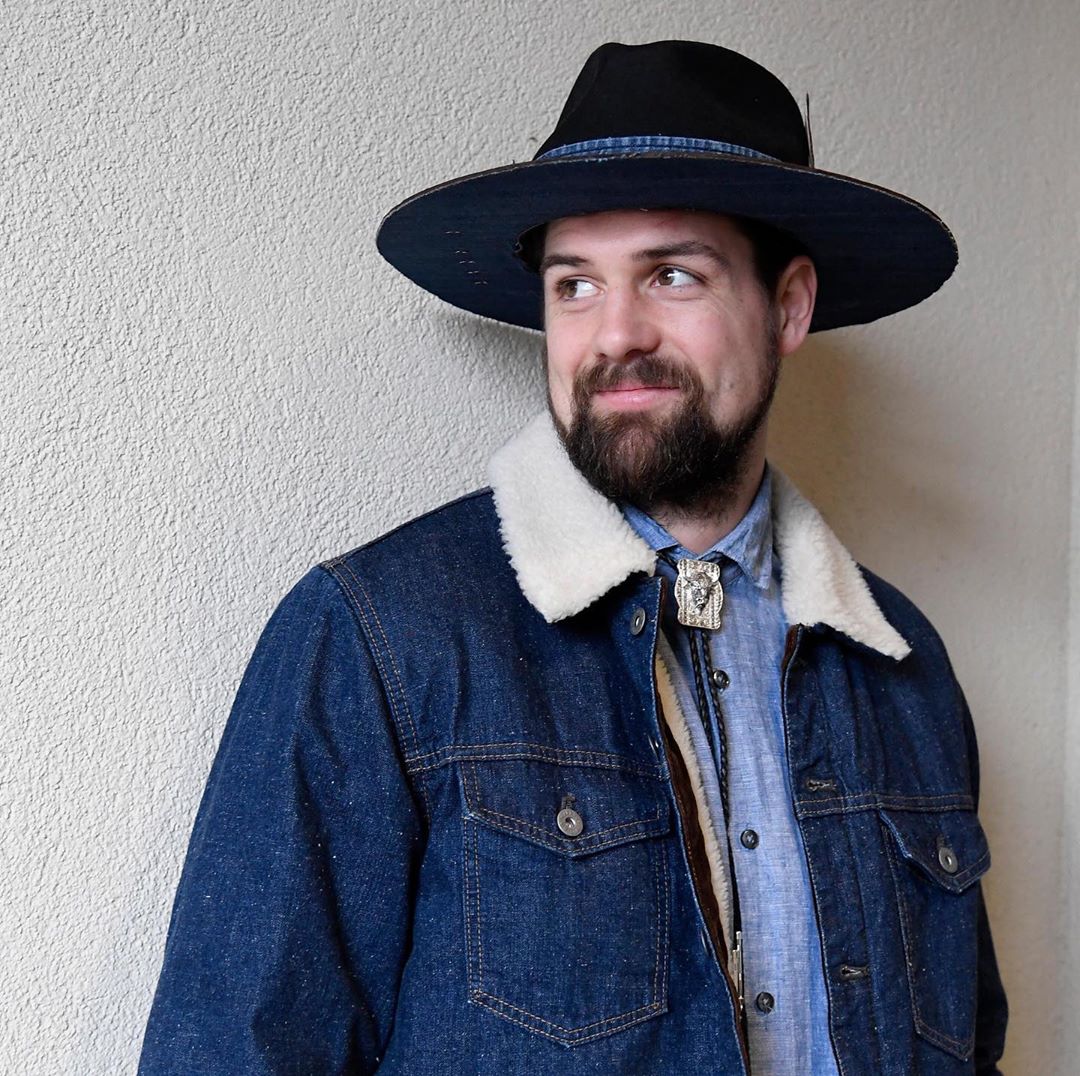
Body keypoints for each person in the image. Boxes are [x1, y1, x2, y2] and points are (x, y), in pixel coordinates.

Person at [139, 40, 1007, 1075]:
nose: (616, 334)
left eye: (672, 275)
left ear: (787, 306)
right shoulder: (384, 638)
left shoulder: (902, 664)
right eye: (575, 285)